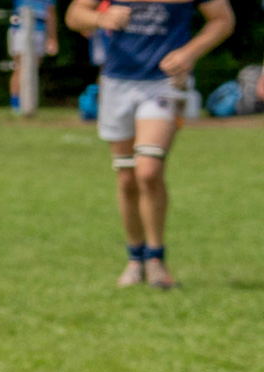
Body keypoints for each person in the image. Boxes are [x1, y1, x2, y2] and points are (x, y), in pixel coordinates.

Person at [65, 0, 233, 288]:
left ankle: (156, 261)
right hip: (117, 83)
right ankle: (135, 259)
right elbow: (74, 15)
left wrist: (189, 53)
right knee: (127, 177)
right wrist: (100, 18)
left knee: (149, 170)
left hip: (164, 83)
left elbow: (223, 19)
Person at [9, 0, 59, 111]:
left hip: (38, 29)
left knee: (30, 69)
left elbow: (51, 12)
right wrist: (52, 37)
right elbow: (51, 13)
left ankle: (25, 104)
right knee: (21, 67)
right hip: (20, 29)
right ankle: (17, 106)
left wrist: (52, 38)